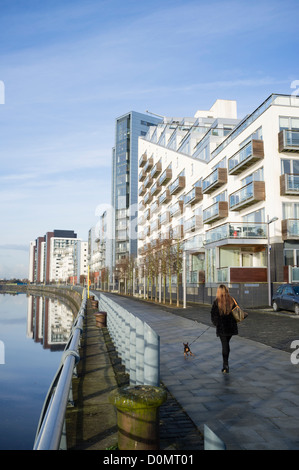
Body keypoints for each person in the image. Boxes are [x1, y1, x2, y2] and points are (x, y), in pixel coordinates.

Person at [211, 284, 238, 374]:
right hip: (230, 327)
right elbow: (236, 313)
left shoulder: (216, 302)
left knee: (224, 345)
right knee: (226, 344)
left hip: (222, 328)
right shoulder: (231, 300)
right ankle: (226, 364)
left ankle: (225, 365)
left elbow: (213, 315)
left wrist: (217, 323)